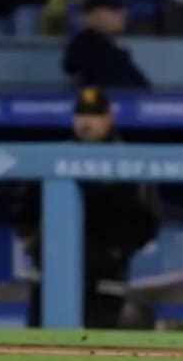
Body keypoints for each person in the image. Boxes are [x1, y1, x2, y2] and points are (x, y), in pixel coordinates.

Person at [16, 87, 159, 329]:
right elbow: (23, 211)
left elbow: (147, 219)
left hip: (105, 273)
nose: (86, 123)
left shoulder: (130, 161)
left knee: (99, 346)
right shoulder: (53, 158)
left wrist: (116, 252)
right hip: (54, 270)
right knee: (44, 346)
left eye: (94, 116)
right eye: (81, 115)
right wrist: (37, 248)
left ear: (108, 118)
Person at [62, 0, 150, 89]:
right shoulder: (84, 48)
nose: (122, 13)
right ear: (91, 15)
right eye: (113, 9)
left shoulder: (110, 48)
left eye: (122, 8)